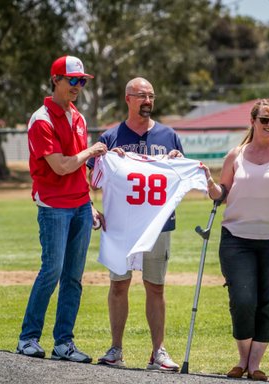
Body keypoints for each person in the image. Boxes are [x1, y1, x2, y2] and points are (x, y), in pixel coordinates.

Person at [204, 99, 269, 381]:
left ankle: (254, 365)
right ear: (253, 121)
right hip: (237, 239)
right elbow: (221, 194)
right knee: (243, 299)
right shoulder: (235, 155)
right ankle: (243, 359)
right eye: (265, 120)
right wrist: (211, 186)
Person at [87, 77, 183, 371]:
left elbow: (180, 180)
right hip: (121, 226)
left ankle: (158, 352)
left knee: (155, 286)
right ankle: (116, 349)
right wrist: (91, 207)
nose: (148, 102)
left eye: (151, 96)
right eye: (142, 96)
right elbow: (87, 178)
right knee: (119, 285)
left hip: (158, 225)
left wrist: (177, 162)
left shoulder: (169, 136)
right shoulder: (111, 137)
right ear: (127, 98)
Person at [16, 55, 108, 363]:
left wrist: (90, 204)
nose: (78, 86)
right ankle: (28, 337)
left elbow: (78, 172)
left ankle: (64, 343)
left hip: (80, 205)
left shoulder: (78, 117)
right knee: (51, 272)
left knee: (73, 276)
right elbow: (61, 166)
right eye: (73, 80)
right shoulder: (41, 120)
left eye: (82, 81)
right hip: (53, 205)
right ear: (55, 80)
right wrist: (91, 150)